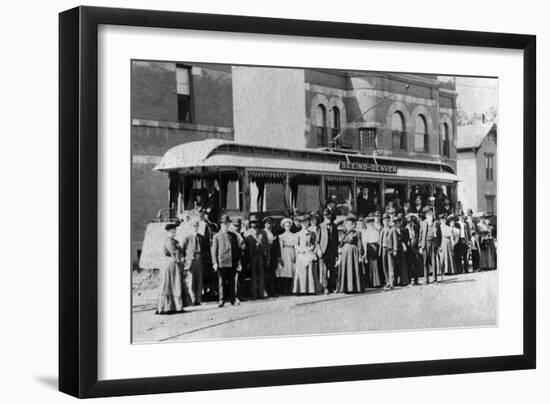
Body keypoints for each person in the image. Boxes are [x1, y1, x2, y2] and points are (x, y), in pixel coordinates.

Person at [156, 223, 193, 314]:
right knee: (171, 285)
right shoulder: (169, 241)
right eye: (172, 232)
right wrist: (183, 258)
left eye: (174, 232)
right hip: (170, 265)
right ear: (168, 232)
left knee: (175, 285)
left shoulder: (173, 241)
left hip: (174, 265)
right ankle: (168, 307)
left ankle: (176, 307)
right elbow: (174, 252)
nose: (174, 233)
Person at [211, 214, 242, 307]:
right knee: (222, 282)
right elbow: (214, 250)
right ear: (221, 225)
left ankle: (232, 299)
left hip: (232, 262)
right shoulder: (216, 236)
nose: (226, 226)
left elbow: (237, 250)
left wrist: (238, 262)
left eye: (227, 224)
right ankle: (222, 300)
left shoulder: (233, 235)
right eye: (224, 224)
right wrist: (215, 263)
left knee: (232, 282)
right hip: (222, 262)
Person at [180, 217, 208, 305]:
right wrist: (185, 261)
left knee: (199, 280)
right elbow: (182, 250)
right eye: (193, 226)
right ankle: (192, 299)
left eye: (196, 226)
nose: (195, 227)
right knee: (191, 279)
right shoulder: (187, 237)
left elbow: (205, 249)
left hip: (199, 259)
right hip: (191, 261)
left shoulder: (201, 237)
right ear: (191, 226)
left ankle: (198, 299)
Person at [244, 213, 270, 299]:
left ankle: (261, 293)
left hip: (261, 256)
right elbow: (246, 248)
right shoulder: (247, 233)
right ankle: (254, 294)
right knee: (253, 276)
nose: (254, 224)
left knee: (261, 276)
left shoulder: (263, 232)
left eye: (255, 222)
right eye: (252, 222)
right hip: (252, 257)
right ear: (250, 224)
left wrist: (267, 257)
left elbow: (266, 246)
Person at [337, 215, 365, 293]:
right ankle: (346, 288)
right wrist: (339, 251)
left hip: (354, 254)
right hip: (345, 255)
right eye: (348, 224)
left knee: (354, 269)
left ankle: (356, 287)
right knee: (346, 270)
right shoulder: (343, 234)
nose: (350, 226)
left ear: (354, 225)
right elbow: (340, 244)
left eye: (351, 224)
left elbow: (359, 244)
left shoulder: (357, 233)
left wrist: (360, 255)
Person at [293, 214, 318, 294]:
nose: (304, 224)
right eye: (303, 222)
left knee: (309, 271)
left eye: (306, 222)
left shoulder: (312, 233)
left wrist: (309, 249)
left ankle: (310, 289)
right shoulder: (297, 234)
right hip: (301, 254)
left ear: (308, 223)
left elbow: (314, 244)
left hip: (309, 253)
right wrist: (301, 250)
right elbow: (296, 245)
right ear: (300, 224)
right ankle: (301, 289)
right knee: (301, 271)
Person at [419, 207, 441, 284]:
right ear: (425, 215)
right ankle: (426, 279)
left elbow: (440, 235)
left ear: (432, 214)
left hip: (434, 244)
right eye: (427, 214)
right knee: (425, 262)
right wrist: (420, 246)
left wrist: (439, 246)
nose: (429, 215)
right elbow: (420, 235)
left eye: (430, 213)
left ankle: (435, 279)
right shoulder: (423, 223)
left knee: (433, 261)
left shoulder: (437, 223)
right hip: (425, 243)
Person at [319, 208, 339, 293]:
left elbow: (336, 239)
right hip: (324, 250)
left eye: (328, 215)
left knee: (332, 269)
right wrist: (319, 250)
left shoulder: (334, 226)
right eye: (325, 215)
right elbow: (317, 240)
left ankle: (331, 286)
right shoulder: (320, 226)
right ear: (323, 216)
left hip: (332, 250)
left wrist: (337, 251)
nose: (327, 217)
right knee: (324, 269)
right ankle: (325, 287)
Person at [277, 218, 297, 295]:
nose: (288, 227)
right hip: (285, 253)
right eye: (286, 226)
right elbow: (281, 247)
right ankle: (284, 289)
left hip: (292, 252)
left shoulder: (293, 235)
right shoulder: (281, 236)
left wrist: (295, 255)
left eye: (289, 226)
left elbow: (295, 245)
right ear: (284, 227)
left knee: (292, 270)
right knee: (285, 271)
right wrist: (280, 257)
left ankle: (290, 289)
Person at [362, 215, 382, 287]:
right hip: (369, 248)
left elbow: (379, 241)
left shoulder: (376, 231)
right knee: (370, 266)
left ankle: (377, 282)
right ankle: (370, 283)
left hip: (375, 248)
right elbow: (364, 243)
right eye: (369, 224)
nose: (371, 225)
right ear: (367, 224)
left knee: (376, 265)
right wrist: (365, 253)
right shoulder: (365, 232)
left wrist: (379, 249)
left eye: (372, 223)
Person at [230, 217, 246, 302]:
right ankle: (235, 296)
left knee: (241, 278)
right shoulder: (232, 235)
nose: (237, 227)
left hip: (242, 258)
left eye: (239, 226)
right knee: (235, 279)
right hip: (236, 259)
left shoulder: (241, 234)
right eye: (235, 226)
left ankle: (240, 295)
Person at [403, 214, 422, 285]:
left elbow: (419, 236)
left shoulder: (416, 228)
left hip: (415, 247)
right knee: (409, 264)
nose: (410, 223)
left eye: (411, 222)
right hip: (409, 248)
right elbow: (404, 239)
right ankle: (410, 280)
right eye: (409, 222)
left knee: (416, 263)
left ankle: (416, 280)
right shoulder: (404, 229)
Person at [263, 217, 279, 297]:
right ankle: (265, 290)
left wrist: (278, 255)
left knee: (272, 273)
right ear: (265, 224)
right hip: (266, 253)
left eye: (270, 223)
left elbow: (277, 244)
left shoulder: (274, 232)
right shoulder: (263, 232)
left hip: (273, 253)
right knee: (266, 273)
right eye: (267, 223)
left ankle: (272, 291)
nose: (269, 225)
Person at [391, 216, 409, 286]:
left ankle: (403, 281)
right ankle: (395, 281)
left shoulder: (402, 230)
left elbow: (404, 239)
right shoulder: (392, 230)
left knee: (402, 265)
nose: (397, 224)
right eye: (395, 223)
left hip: (401, 249)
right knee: (395, 266)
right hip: (395, 249)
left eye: (398, 223)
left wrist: (403, 243)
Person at [379, 213, 394, 289]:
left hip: (389, 249)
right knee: (384, 265)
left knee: (390, 265)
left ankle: (391, 282)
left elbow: (394, 240)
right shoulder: (381, 230)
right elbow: (380, 241)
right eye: (385, 221)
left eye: (387, 221)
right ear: (382, 222)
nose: (386, 222)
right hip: (383, 248)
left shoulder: (391, 229)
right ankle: (387, 281)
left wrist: (394, 249)